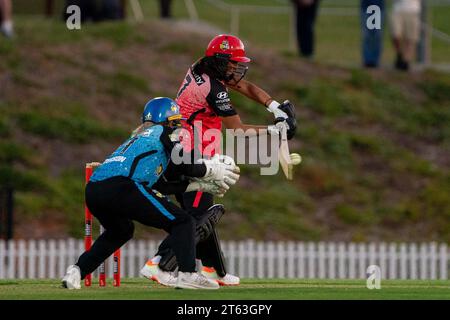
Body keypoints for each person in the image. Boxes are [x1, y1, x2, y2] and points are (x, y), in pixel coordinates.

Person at [139, 34, 297, 286]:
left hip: (181, 150)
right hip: (191, 155)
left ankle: (214, 269)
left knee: (202, 214)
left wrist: (275, 107)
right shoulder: (212, 88)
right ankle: (158, 262)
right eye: (232, 63)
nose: (236, 68)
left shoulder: (201, 66)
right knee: (199, 215)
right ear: (220, 61)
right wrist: (275, 130)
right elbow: (238, 129)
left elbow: (244, 86)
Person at [61, 97, 241, 290]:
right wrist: (211, 169)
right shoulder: (164, 131)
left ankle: (77, 271)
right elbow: (186, 165)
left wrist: (200, 187)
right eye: (176, 121)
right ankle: (187, 274)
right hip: (123, 186)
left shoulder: (139, 138)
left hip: (94, 189)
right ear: (169, 120)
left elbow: (162, 185)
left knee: (120, 231)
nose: (179, 126)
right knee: (183, 221)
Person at [391, 0, 422, 71]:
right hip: (397, 10)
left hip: (413, 10)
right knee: (395, 35)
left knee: (411, 38)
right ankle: (399, 55)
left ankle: (406, 61)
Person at [360, 0, 385, 68]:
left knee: (377, 35)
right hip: (366, 6)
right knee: (367, 35)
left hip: (379, 7)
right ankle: (367, 60)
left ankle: (375, 61)